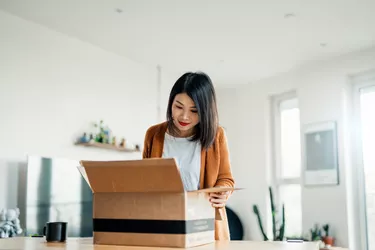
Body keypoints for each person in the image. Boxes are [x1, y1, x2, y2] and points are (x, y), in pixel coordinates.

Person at [142, 71, 235, 240]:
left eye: (194, 110)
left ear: (206, 111)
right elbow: (145, 179)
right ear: (171, 103)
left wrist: (222, 194)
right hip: (163, 223)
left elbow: (226, 179)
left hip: (203, 225)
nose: (184, 116)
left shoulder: (217, 135)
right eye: (178, 106)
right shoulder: (153, 134)